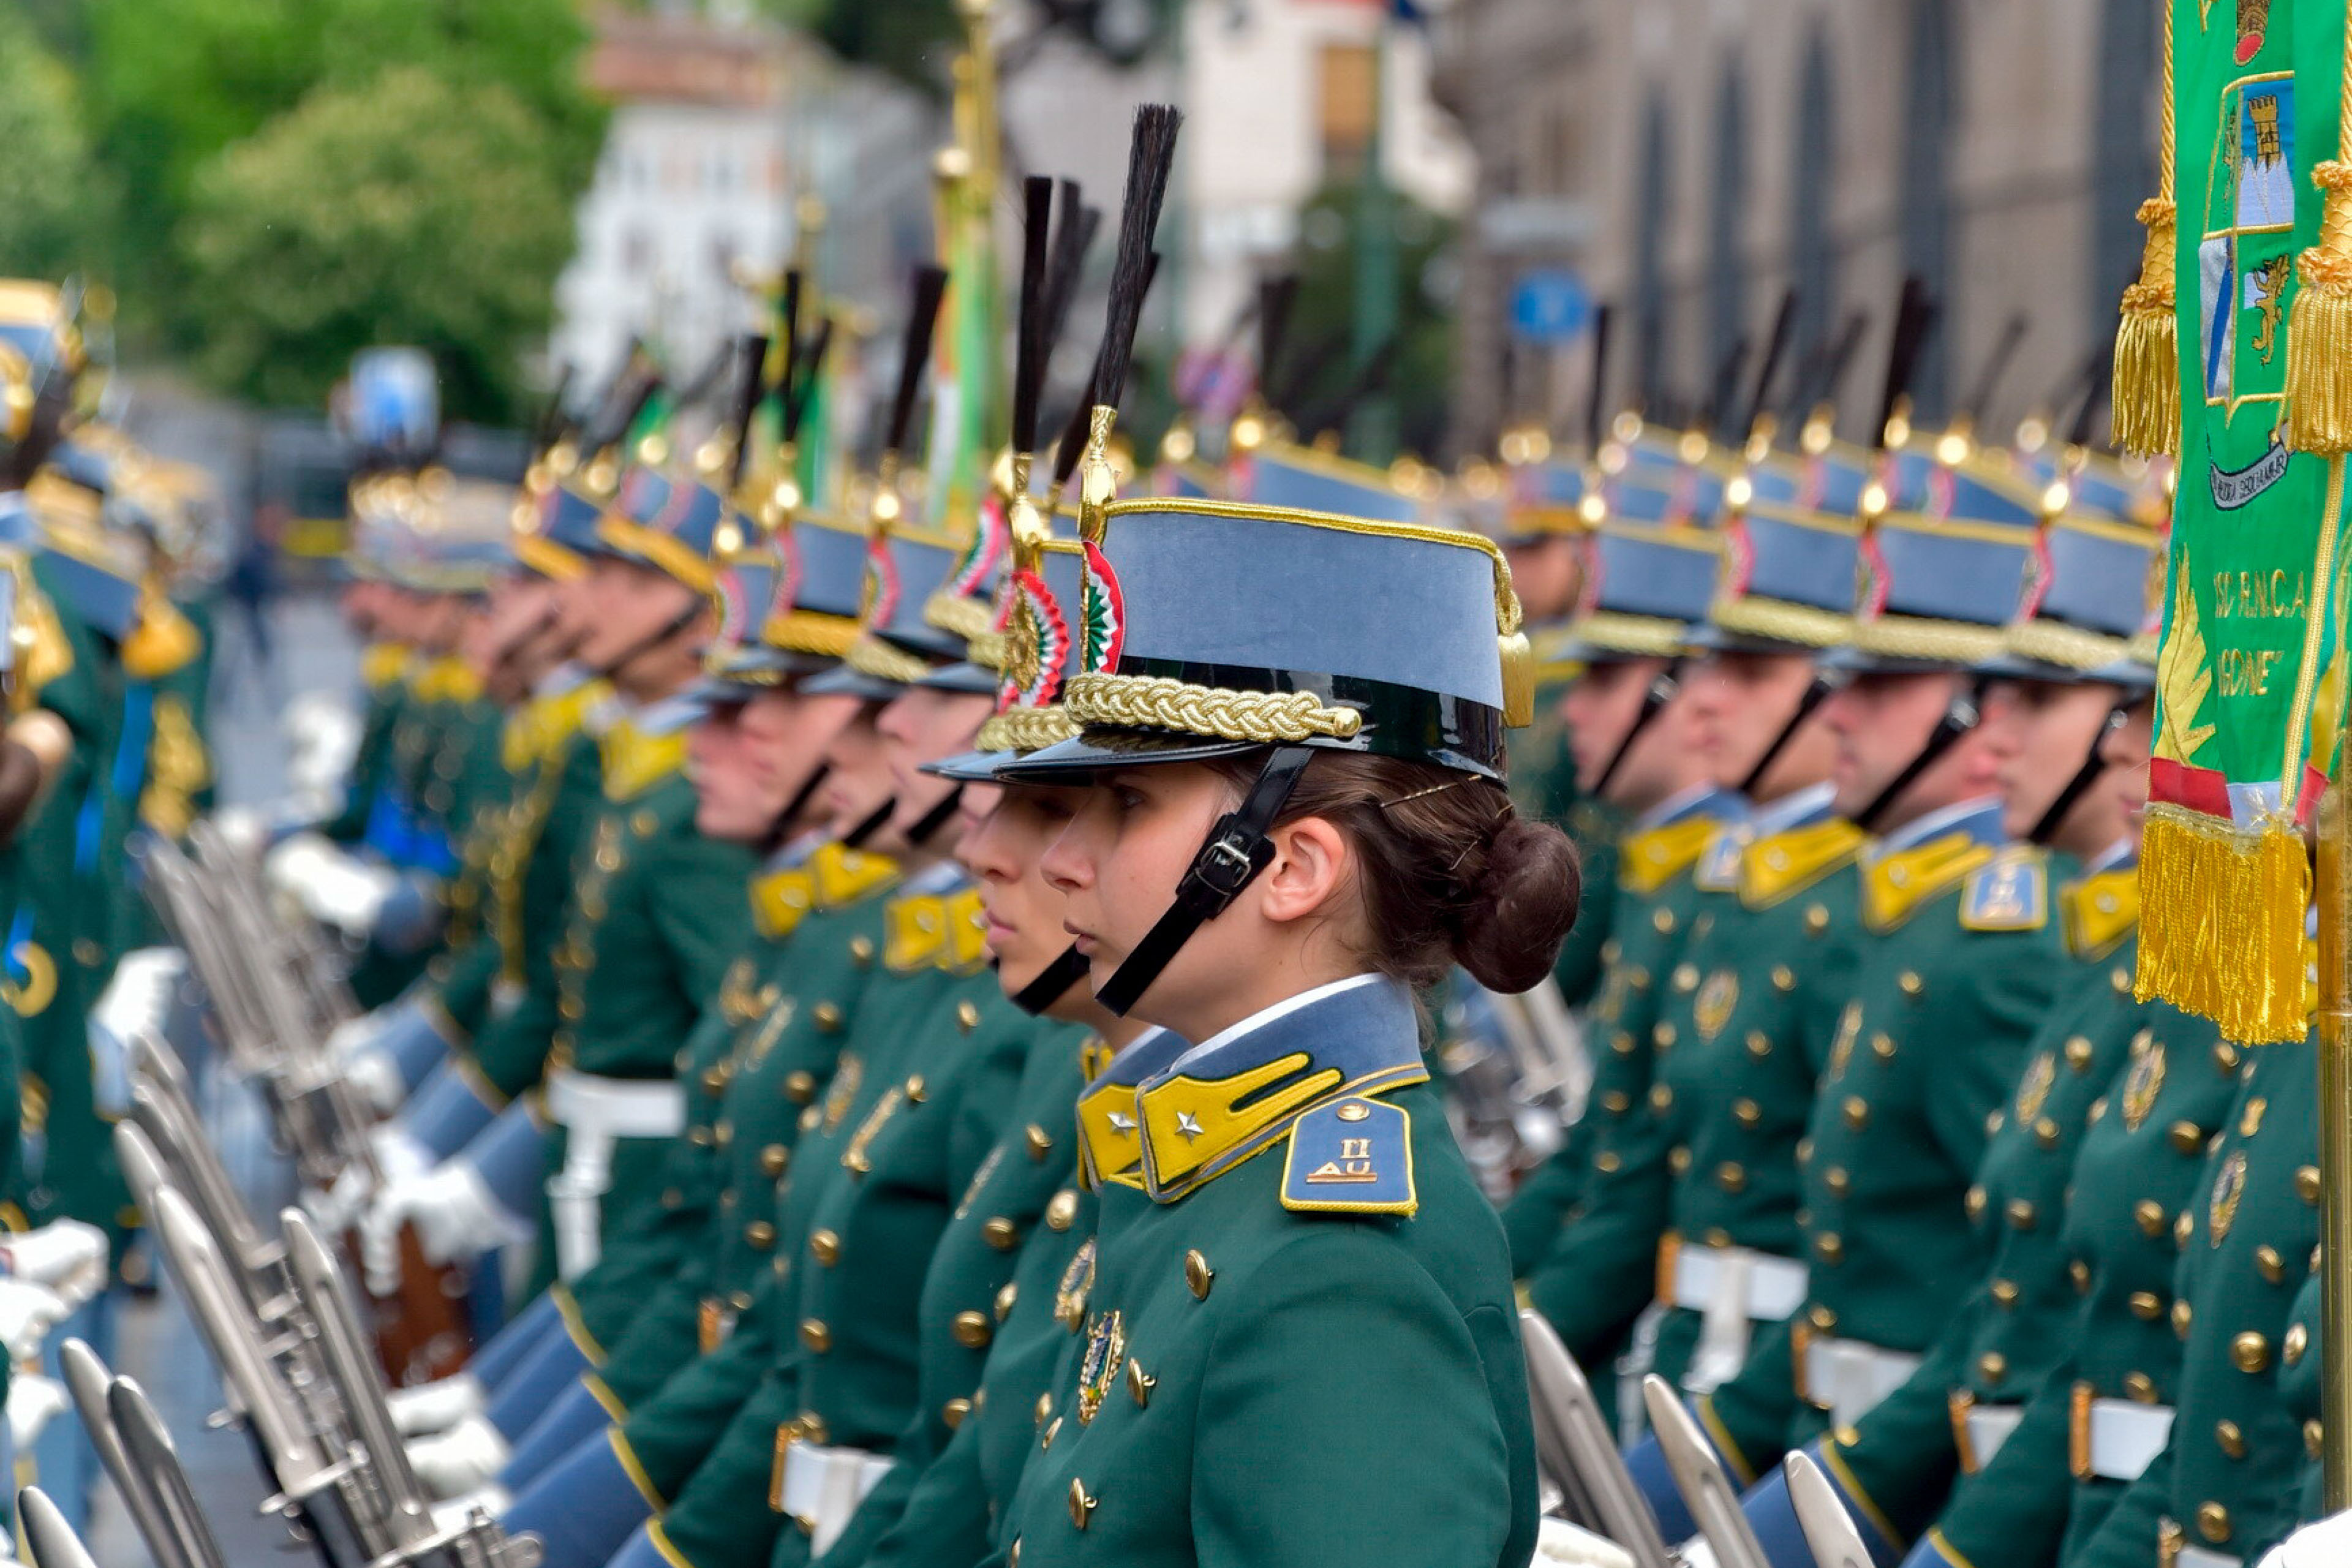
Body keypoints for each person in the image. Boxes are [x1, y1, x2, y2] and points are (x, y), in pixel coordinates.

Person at [985, 469, 1581, 1567]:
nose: (1060, 864)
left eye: (1124, 806)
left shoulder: (1338, 1269)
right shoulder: (1212, 1156)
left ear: (1289, 867)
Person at [1498, 421, 1744, 1430]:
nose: (1577, 712)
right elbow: (1613, 1150)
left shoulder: (1727, 890)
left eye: (1608, 683)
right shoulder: (1674, 871)